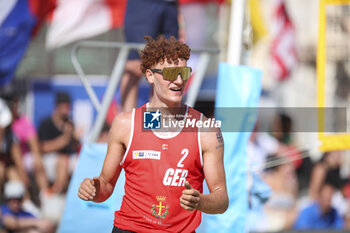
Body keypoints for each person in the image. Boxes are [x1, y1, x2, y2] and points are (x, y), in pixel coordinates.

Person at [78, 36, 228, 232]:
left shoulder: (206, 130)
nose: (179, 80)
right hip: (130, 228)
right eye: (171, 73)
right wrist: (94, 189)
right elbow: (105, 186)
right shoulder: (126, 124)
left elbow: (222, 199)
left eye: (184, 72)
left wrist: (200, 201)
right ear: (149, 76)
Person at [120, 0, 181, 112]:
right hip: (144, 5)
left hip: (170, 5)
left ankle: (155, 123)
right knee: (135, 66)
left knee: (166, 69)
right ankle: (128, 124)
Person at [38, 92, 79, 195]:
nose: (65, 111)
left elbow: (75, 147)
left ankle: (70, 195)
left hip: (67, 159)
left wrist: (74, 137)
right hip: (49, 159)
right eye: (63, 107)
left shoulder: (70, 123)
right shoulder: (46, 123)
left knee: (73, 162)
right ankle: (56, 193)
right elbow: (43, 147)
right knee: (62, 160)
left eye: (67, 107)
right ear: (57, 107)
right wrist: (64, 139)